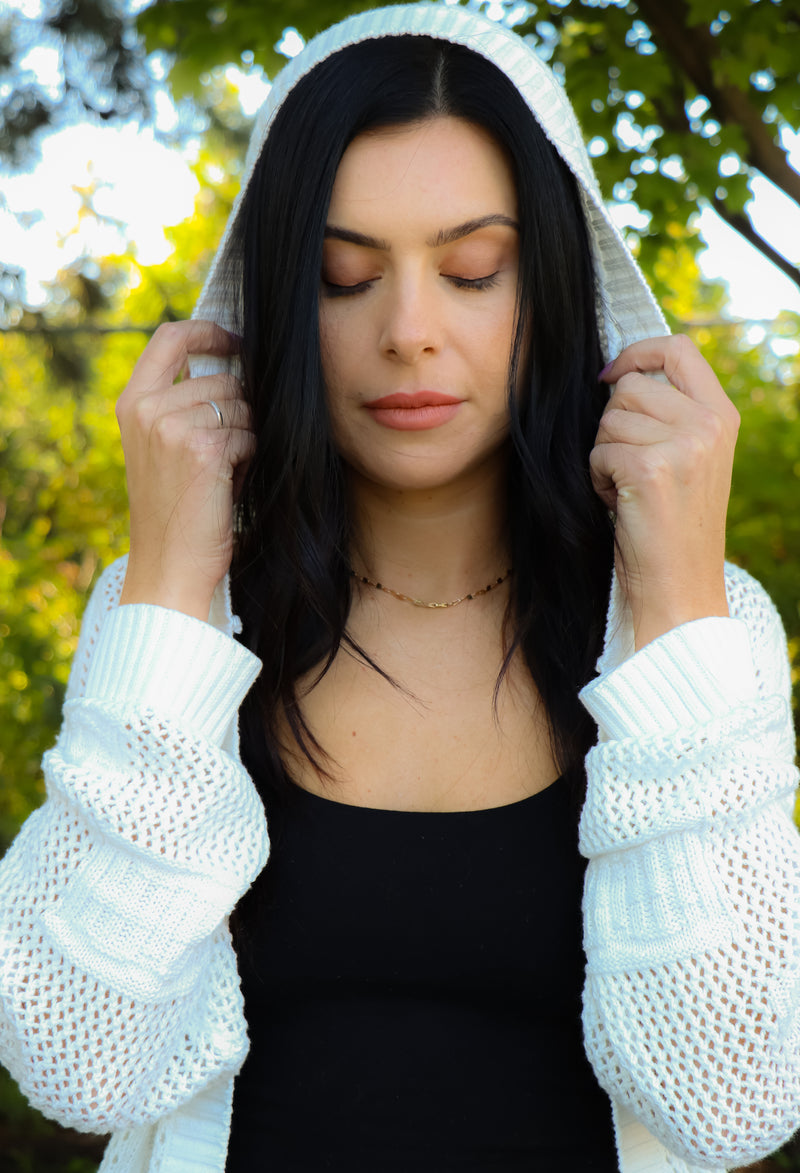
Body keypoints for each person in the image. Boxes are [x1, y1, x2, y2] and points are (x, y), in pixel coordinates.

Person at [1, 4, 799, 1171]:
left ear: (557, 288)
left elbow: (732, 1100)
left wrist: (673, 599)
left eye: (473, 269)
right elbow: (80, 1064)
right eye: (341, 277)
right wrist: (171, 579)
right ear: (274, 303)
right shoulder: (167, 622)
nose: (409, 331)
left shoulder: (690, 629)